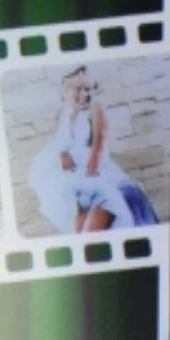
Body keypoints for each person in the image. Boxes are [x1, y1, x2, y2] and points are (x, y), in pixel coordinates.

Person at [26, 66, 158, 233]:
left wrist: (85, 187)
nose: (84, 94)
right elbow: (62, 152)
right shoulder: (63, 114)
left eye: (87, 89)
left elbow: (95, 154)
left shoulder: (94, 110)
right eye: (78, 89)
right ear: (65, 91)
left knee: (95, 224)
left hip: (98, 177)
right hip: (78, 180)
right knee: (79, 231)